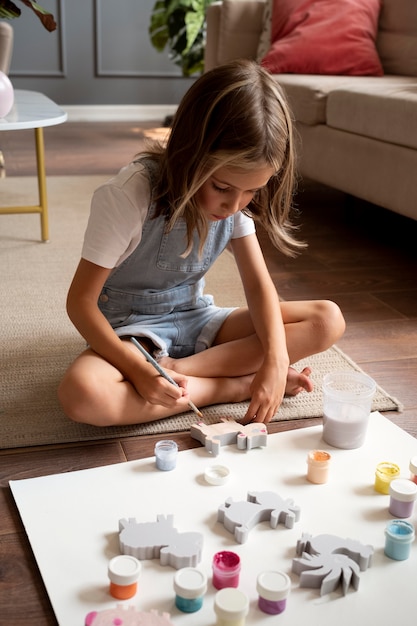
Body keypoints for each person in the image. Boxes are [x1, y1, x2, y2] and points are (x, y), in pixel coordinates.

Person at [58, 59, 345, 428]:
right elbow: (80, 303)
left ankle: (181, 373)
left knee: (326, 320)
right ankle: (229, 387)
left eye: (253, 191)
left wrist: (275, 361)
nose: (235, 204)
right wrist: (138, 369)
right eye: (222, 188)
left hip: (197, 320)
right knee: (82, 396)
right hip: (132, 333)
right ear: (189, 153)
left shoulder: (236, 198)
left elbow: (259, 287)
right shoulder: (128, 195)